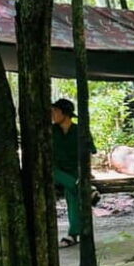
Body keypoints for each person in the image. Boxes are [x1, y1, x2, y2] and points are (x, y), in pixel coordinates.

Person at [51, 98, 99, 248]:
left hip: (75, 172)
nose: (52, 114)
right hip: (57, 172)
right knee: (51, 172)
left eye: (55, 111)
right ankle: (87, 190)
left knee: (71, 193)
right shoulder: (50, 131)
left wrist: (85, 172)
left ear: (65, 113)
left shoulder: (80, 131)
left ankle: (73, 235)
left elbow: (89, 152)